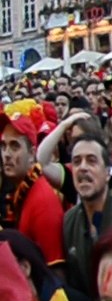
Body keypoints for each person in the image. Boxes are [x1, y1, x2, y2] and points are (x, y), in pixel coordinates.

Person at [62, 132, 112, 295]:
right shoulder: (69, 220)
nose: (83, 167)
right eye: (77, 162)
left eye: (91, 161)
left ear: (107, 173)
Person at [0, 104, 65, 267]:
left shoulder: (43, 202)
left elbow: (55, 274)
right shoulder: (20, 189)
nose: (6, 154)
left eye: (15, 146)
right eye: (3, 146)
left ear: (31, 154)